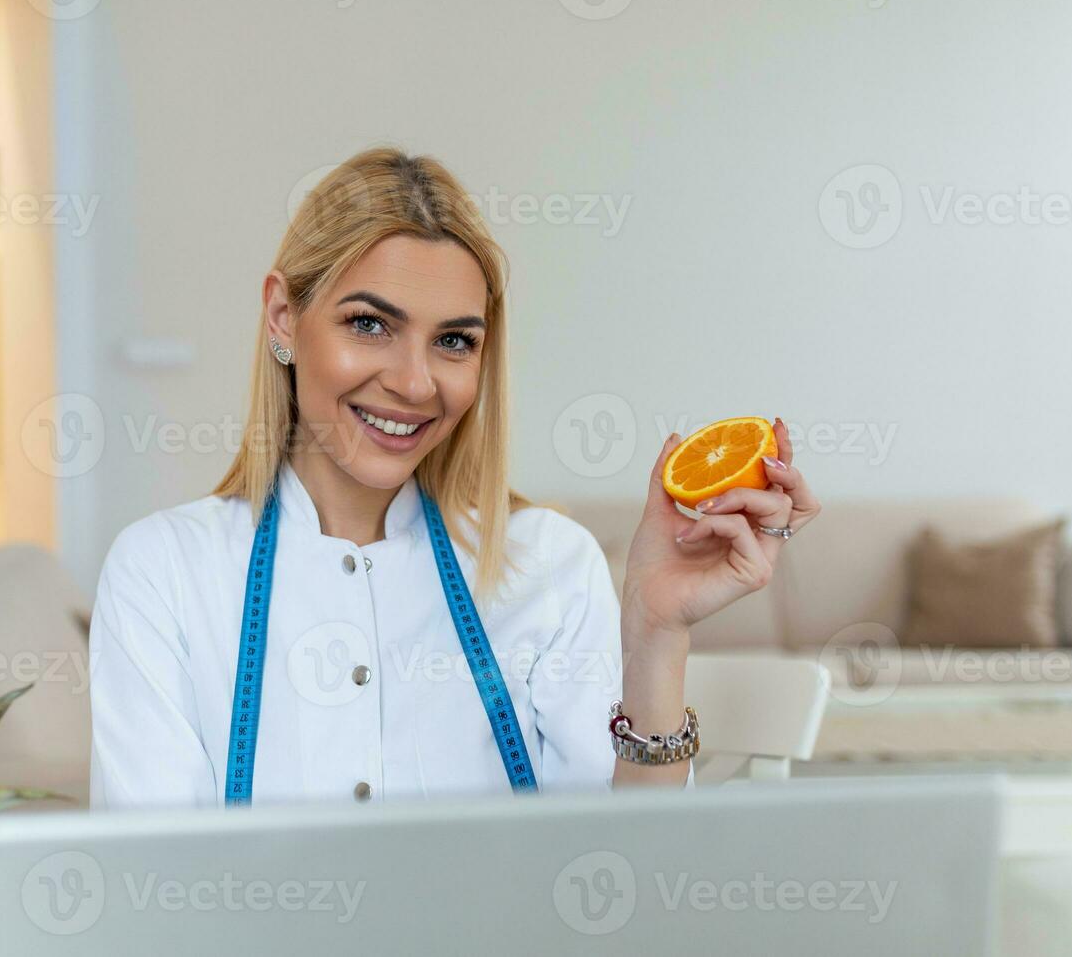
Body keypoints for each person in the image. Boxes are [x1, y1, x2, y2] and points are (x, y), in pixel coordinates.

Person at [88, 147, 821, 809]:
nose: (414, 383)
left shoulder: (548, 563)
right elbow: (153, 891)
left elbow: (628, 875)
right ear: (283, 315)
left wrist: (656, 637)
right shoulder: (164, 573)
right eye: (369, 324)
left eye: (453, 342)